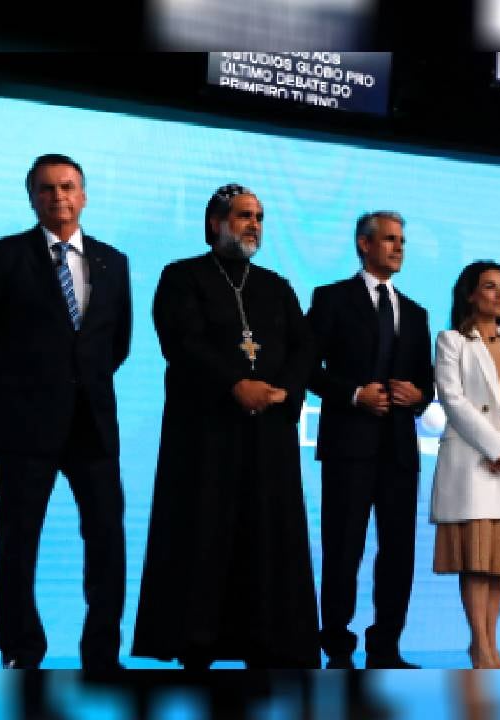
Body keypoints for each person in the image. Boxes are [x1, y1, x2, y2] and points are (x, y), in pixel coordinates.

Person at [131, 184, 319, 669]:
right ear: (215, 223)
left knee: (267, 538)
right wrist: (236, 384)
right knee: (203, 536)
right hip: (206, 436)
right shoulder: (181, 277)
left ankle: (267, 642)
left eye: (258, 216)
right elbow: (183, 342)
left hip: (269, 436)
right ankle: (198, 646)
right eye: (242, 216)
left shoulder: (276, 285)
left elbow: (303, 348)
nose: (252, 224)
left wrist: (282, 392)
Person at [0, 153, 132, 670]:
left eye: (67, 187)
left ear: (83, 195)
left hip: (93, 424)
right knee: (18, 544)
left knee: (107, 541)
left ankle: (101, 653)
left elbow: (115, 344)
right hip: (23, 425)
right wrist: (28, 383)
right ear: (32, 198)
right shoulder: (3, 257)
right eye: (46, 189)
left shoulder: (112, 260)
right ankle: (20, 651)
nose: (58, 197)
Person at [307, 211, 434, 669]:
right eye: (389, 240)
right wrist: (354, 394)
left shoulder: (416, 312)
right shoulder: (331, 299)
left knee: (398, 551)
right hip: (348, 445)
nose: (398, 248)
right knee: (344, 548)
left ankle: (386, 648)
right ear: (364, 244)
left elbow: (427, 381)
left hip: (400, 449)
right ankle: (337, 648)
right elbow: (306, 368)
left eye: (402, 240)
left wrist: (420, 394)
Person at [430, 261, 500, 669]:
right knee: (476, 560)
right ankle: (481, 646)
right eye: (489, 287)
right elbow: (453, 400)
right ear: (470, 294)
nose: (499, 294)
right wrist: (496, 447)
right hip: (473, 464)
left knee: (499, 563)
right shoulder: (452, 341)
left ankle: (489, 643)